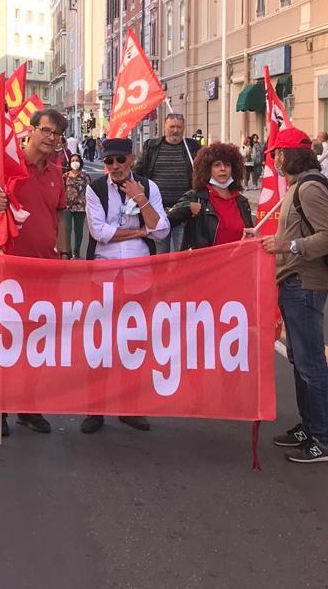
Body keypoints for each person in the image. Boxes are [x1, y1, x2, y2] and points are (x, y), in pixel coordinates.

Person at [0, 108, 70, 437]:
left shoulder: (56, 172)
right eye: (47, 131)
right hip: (8, 269)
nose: (52, 138)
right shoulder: (6, 167)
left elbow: (60, 215)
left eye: (58, 134)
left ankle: (28, 408)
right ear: (31, 130)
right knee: (5, 339)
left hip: (44, 269)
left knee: (36, 340)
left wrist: (64, 253)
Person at [258, 128, 328, 464]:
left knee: (311, 364)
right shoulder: (297, 187)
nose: (274, 160)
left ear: (288, 155)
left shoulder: (309, 189)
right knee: (300, 361)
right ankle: (309, 427)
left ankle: (324, 440)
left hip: (304, 284)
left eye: (276, 153)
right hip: (293, 281)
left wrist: (288, 246)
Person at [81, 137, 169, 434]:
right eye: (109, 161)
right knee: (100, 342)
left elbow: (161, 230)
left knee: (133, 341)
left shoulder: (148, 187)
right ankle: (95, 410)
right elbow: (99, 232)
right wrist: (139, 232)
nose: (115, 166)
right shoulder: (95, 189)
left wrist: (141, 199)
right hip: (104, 273)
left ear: (131, 159)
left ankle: (130, 407)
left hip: (138, 273)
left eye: (120, 160)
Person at [134, 113, 201, 253]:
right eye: (172, 127)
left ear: (183, 128)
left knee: (183, 255)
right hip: (158, 213)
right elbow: (138, 172)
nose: (175, 130)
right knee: (160, 256)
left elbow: (203, 173)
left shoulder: (192, 147)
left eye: (179, 127)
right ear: (164, 127)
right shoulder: (151, 147)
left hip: (184, 212)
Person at [168, 142, 254, 249]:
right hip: (205, 259)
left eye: (227, 165)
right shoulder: (196, 197)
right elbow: (166, 223)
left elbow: (250, 234)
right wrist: (186, 208)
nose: (223, 168)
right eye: (217, 165)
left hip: (238, 258)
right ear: (207, 169)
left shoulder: (242, 202)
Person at [63, 153, 89, 259]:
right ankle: (68, 251)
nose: (75, 162)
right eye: (72, 160)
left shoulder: (85, 176)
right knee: (67, 228)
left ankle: (76, 252)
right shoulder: (65, 176)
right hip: (67, 206)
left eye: (77, 160)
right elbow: (61, 190)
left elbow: (89, 191)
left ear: (80, 162)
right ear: (69, 163)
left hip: (81, 207)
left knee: (78, 230)